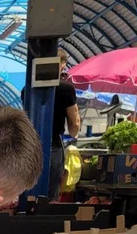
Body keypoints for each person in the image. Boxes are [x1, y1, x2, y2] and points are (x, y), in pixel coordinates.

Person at [50, 50, 80, 200]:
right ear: (63, 65)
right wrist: (72, 139)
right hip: (54, 145)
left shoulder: (27, 88)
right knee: (51, 191)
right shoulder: (66, 89)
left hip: (30, 146)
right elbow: (74, 122)